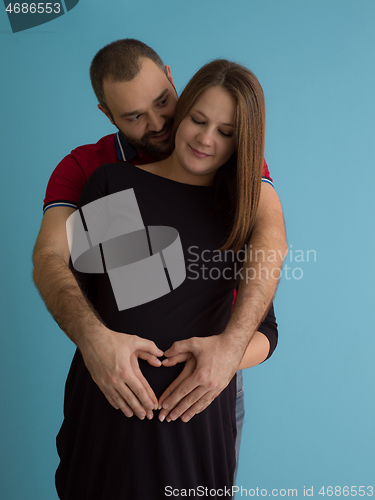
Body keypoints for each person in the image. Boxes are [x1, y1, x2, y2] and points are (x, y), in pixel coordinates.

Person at [32, 39, 286, 477]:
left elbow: (270, 243)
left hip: (204, 406)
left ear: (173, 79)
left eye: (164, 102)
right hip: (113, 406)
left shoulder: (231, 175)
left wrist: (226, 353)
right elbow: (56, 264)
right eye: (135, 116)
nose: (160, 122)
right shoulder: (99, 173)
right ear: (108, 115)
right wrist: (96, 342)